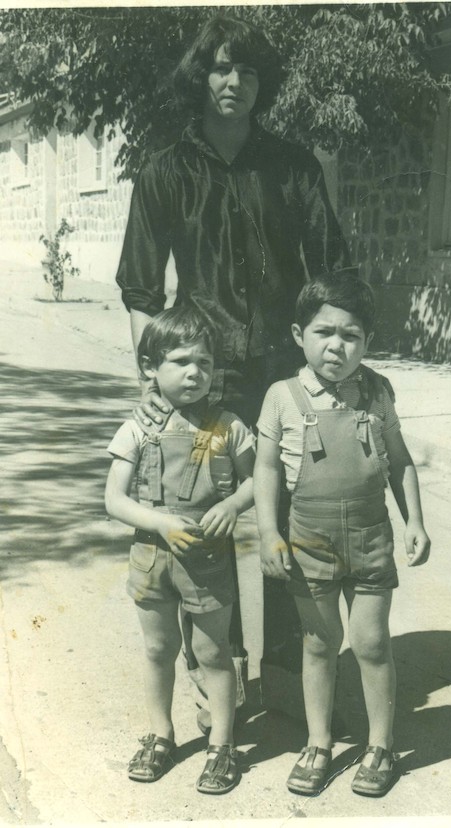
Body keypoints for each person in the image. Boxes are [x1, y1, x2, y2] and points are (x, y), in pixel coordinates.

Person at [115, 14, 350, 720]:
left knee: (290, 508)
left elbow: (331, 268)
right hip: (202, 386)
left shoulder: (294, 166)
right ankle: (208, 665)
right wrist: (155, 384)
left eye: (247, 71)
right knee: (203, 516)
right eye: (221, 68)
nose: (234, 82)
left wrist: (332, 361)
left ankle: (284, 664)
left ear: (261, 84)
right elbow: (138, 288)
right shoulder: (165, 171)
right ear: (201, 76)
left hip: (284, 377)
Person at [254, 271, 431, 797]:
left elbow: (399, 462)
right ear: (297, 334)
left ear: (367, 342)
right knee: (319, 642)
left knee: (373, 643)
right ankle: (318, 742)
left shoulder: (377, 393)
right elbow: (264, 469)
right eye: (323, 332)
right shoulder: (282, 396)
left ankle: (380, 745)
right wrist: (268, 531)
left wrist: (414, 521)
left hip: (372, 537)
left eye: (350, 335)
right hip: (309, 539)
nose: (336, 345)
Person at [105, 305, 255, 794]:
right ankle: (160, 734)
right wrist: (162, 524)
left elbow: (260, 481)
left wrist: (233, 503)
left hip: (207, 558)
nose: (195, 373)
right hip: (152, 555)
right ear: (150, 367)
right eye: (181, 362)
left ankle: (223, 745)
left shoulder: (228, 426)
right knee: (157, 648)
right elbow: (114, 500)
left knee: (214, 652)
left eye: (205, 363)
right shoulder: (138, 428)